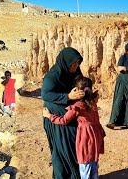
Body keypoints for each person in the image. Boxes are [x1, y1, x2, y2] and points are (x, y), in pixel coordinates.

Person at [43, 76, 105, 179]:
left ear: (77, 90)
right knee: (93, 163)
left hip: (86, 138)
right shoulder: (93, 102)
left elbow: (64, 120)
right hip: (96, 135)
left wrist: (49, 116)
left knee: (85, 164)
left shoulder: (78, 106)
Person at [41, 47, 85, 179]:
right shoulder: (53, 76)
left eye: (77, 63)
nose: (76, 66)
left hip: (70, 115)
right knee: (60, 151)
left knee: (74, 147)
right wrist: (68, 97)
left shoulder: (75, 71)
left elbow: (81, 84)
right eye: (73, 64)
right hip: (56, 118)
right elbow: (45, 94)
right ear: (65, 62)